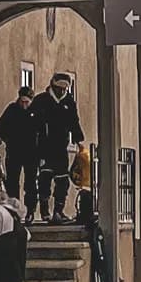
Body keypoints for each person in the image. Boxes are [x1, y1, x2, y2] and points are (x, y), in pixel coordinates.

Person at [29, 72, 85, 223]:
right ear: (52, 85)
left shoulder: (68, 102)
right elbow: (31, 124)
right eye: (59, 88)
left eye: (64, 89)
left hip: (61, 147)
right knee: (44, 179)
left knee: (62, 180)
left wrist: (79, 140)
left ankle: (58, 211)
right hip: (43, 148)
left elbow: (74, 122)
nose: (61, 91)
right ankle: (45, 210)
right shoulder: (41, 101)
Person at [0, 87, 41, 216]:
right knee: (12, 182)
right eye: (22, 102)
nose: (24, 105)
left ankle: (29, 210)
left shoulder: (36, 112)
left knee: (30, 184)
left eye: (27, 102)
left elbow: (42, 131)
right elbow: (0, 125)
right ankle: (13, 210)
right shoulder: (12, 109)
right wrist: (2, 138)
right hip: (14, 152)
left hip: (31, 153)